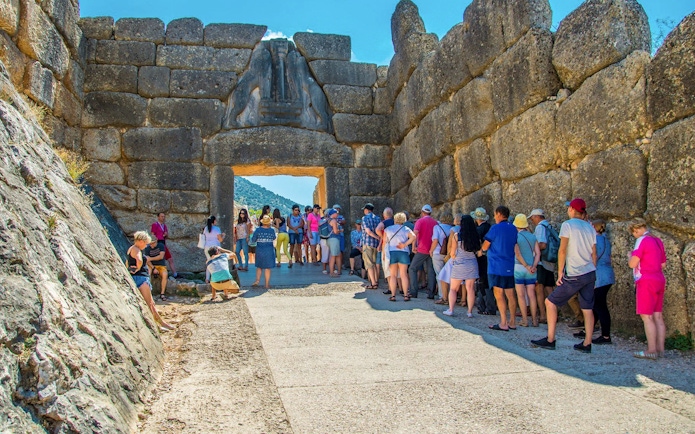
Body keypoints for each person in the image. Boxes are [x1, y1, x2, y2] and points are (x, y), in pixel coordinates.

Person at [531, 198, 596, 353]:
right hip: (590, 272)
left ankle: (550, 338)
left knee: (550, 302)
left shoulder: (568, 225)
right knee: (587, 308)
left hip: (575, 273)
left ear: (572, 209)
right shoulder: (590, 227)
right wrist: (593, 268)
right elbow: (594, 252)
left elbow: (562, 249)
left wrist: (560, 272)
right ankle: (587, 343)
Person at [628, 218, 667, 360]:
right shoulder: (657, 240)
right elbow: (663, 265)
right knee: (658, 316)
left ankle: (651, 350)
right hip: (659, 279)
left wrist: (630, 256)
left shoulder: (642, 241)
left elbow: (633, 264)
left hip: (646, 280)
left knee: (647, 316)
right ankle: (660, 350)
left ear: (636, 230)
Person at [575, 219, 615, 344]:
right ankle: (589, 330)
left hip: (599, 276)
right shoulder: (606, 240)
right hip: (607, 274)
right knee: (595, 305)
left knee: (599, 306)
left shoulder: (595, 241)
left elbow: (593, 258)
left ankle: (606, 336)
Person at [127, 231, 174, 331]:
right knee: (150, 304)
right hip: (141, 278)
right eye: (145, 243)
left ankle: (161, 323)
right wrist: (138, 269)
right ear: (140, 241)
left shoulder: (131, 249)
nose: (146, 245)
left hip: (139, 277)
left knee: (151, 303)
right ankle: (159, 325)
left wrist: (131, 270)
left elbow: (127, 263)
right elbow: (139, 261)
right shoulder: (137, 250)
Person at [482, 206, 518, 331]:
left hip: (496, 265)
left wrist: (481, 250)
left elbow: (486, 245)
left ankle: (503, 322)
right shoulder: (513, 228)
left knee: (499, 294)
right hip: (509, 264)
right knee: (510, 294)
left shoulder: (495, 228)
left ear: (498, 214)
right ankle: (512, 321)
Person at [444, 215, 480, 317]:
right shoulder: (475, 236)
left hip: (459, 263)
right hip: (472, 263)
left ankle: (451, 309)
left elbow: (453, 252)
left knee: (453, 288)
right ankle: (469, 312)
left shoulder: (457, 236)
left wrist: (453, 257)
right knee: (470, 289)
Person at [513, 214, 540, 327]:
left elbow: (517, 254)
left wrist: (525, 266)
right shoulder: (533, 236)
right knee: (531, 295)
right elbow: (538, 253)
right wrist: (533, 265)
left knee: (521, 295)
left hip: (519, 267)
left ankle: (525, 320)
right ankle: (534, 320)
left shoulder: (516, 237)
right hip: (532, 269)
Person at [528, 209, 555, 324]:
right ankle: (554, 314)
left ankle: (543, 315)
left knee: (539, 288)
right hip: (549, 261)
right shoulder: (549, 226)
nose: (532, 220)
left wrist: (532, 249)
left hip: (541, 262)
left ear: (537, 216)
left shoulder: (540, 227)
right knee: (549, 288)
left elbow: (542, 244)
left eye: (532, 218)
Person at [384, 212, 415, 301]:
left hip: (392, 252)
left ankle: (393, 295)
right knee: (403, 275)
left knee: (393, 275)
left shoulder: (388, 229)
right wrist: (405, 244)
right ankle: (406, 295)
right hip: (403, 252)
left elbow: (385, 242)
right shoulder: (406, 229)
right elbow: (414, 237)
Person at [409, 204, 438, 299]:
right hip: (432, 250)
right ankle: (431, 293)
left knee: (412, 268)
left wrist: (413, 246)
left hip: (422, 249)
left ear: (422, 212)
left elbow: (414, 234)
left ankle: (413, 291)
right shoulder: (435, 222)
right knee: (431, 271)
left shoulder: (419, 221)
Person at [471, 208, 494, 315]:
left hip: (482, 258)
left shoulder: (479, 230)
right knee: (487, 282)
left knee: (483, 282)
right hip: (490, 257)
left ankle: (486, 306)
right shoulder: (489, 227)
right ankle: (488, 305)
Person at [431, 213, 454, 305]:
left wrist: (431, 250)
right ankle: (450, 295)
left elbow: (435, 240)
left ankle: (442, 295)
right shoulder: (452, 229)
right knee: (449, 275)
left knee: (439, 275)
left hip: (438, 252)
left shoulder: (437, 227)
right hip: (449, 254)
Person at [252, 215, 276, 289]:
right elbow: (274, 238)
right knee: (267, 268)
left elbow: (253, 240)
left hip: (260, 250)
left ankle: (257, 280)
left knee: (259, 267)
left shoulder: (258, 230)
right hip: (269, 250)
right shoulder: (272, 230)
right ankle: (266, 284)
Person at [150, 212, 178, 278]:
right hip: (158, 243)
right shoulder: (155, 225)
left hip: (163, 243)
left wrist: (166, 234)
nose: (163, 218)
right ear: (158, 217)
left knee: (170, 258)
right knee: (158, 259)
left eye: (164, 216)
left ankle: (175, 274)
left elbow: (166, 235)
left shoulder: (164, 226)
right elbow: (152, 234)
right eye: (161, 216)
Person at [361, 203, 381, 289]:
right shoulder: (378, 218)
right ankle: (376, 280)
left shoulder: (364, 218)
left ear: (366, 210)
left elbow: (368, 231)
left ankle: (373, 283)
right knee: (375, 263)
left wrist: (375, 236)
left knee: (369, 264)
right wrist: (378, 238)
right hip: (376, 244)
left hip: (368, 243)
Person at [203, 215, 225, 282]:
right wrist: (223, 236)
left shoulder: (206, 229)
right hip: (215, 248)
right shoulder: (217, 229)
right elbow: (220, 240)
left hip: (206, 247)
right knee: (217, 263)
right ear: (214, 221)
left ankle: (207, 279)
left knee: (209, 263)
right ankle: (216, 279)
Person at [326, 209, 342, 277]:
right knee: (333, 256)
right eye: (336, 213)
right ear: (333, 214)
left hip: (329, 239)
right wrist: (340, 230)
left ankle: (338, 270)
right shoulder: (334, 221)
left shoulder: (328, 220)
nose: (337, 214)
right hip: (334, 239)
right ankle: (332, 272)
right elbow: (335, 231)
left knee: (337, 255)